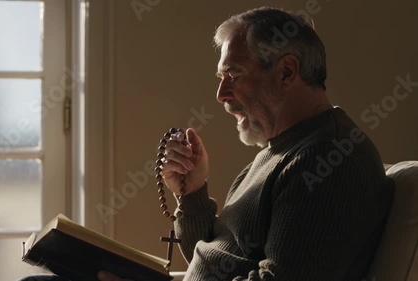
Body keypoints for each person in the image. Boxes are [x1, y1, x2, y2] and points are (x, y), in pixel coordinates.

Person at [20, 6, 394, 281]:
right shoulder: (278, 151)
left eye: (233, 74)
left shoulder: (327, 157)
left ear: (286, 72)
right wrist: (193, 191)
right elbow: (215, 258)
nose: (220, 93)